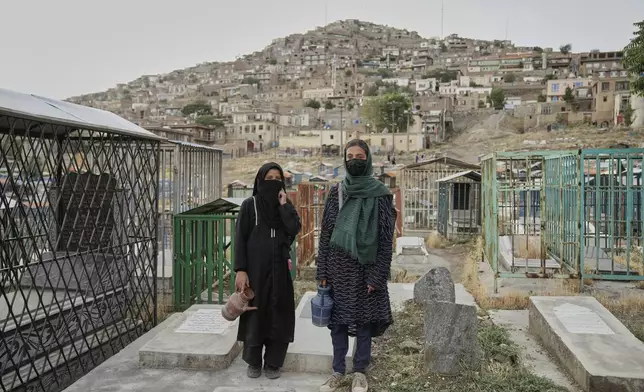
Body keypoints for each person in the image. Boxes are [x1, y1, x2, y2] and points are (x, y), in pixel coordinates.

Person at [316, 139, 395, 392]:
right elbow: (326, 235)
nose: (354, 160)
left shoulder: (381, 194)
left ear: (368, 158)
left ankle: (360, 372)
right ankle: (338, 371)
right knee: (338, 323)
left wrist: (376, 276)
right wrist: (323, 273)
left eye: (360, 156)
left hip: (366, 269)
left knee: (364, 323)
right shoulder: (337, 192)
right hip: (338, 270)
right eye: (349, 156)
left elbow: (385, 239)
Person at [234, 162, 302, 379]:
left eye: (277, 179)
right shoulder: (249, 205)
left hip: (280, 271)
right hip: (255, 272)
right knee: (256, 314)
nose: (273, 182)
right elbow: (240, 240)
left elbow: (293, 229)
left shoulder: (286, 207)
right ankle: (253, 362)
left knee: (279, 315)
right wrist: (241, 270)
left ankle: (273, 363)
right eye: (269, 178)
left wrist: (283, 206)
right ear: (260, 180)